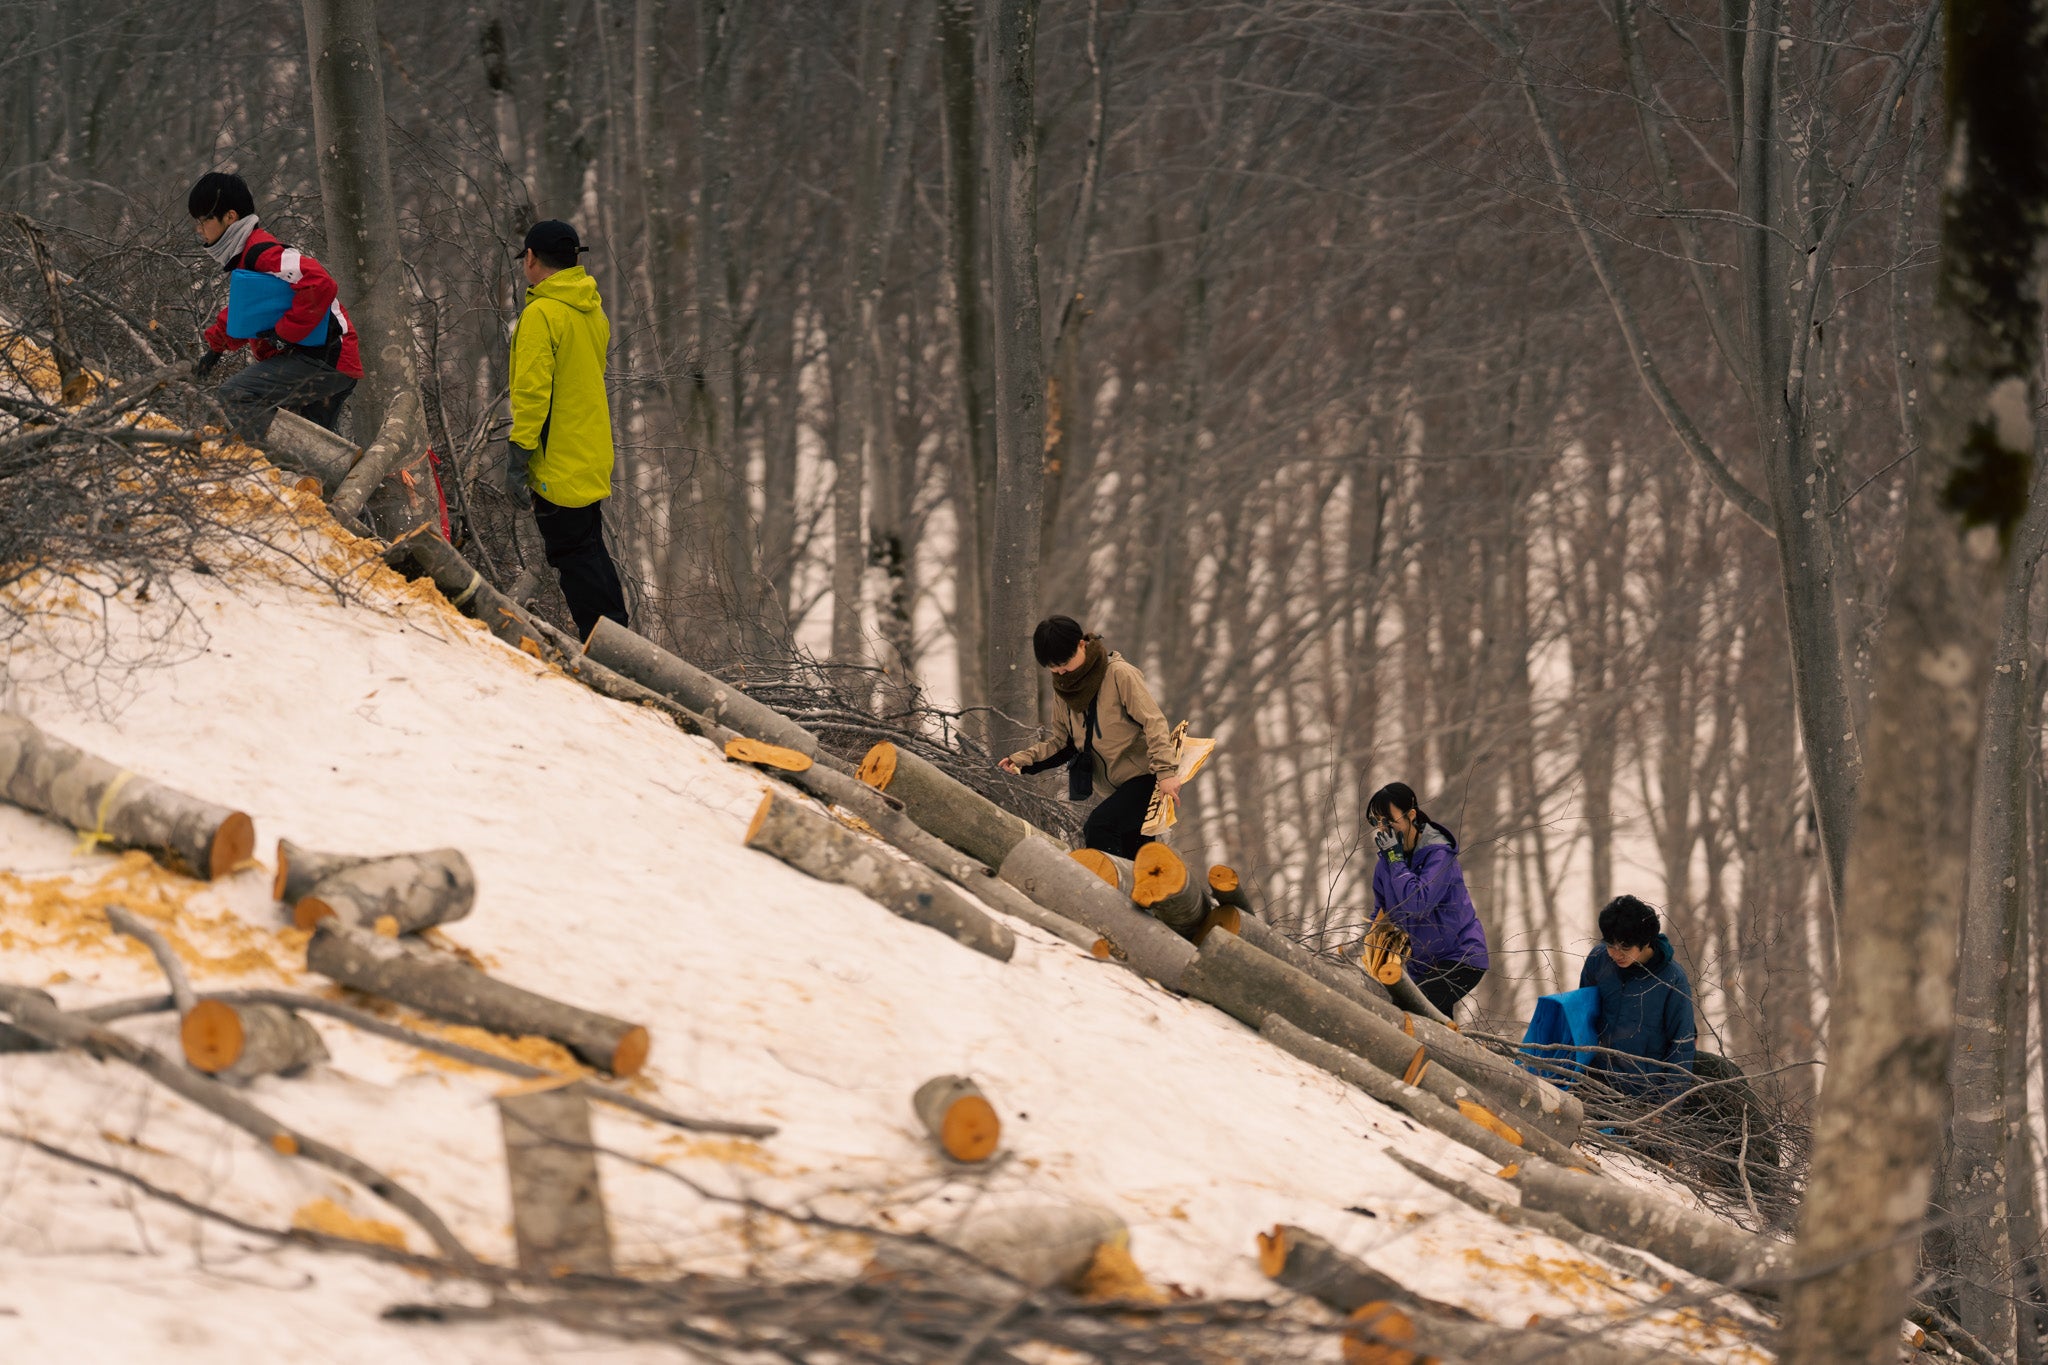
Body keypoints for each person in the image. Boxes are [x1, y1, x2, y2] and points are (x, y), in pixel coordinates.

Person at [506, 220, 629, 641]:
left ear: (532, 258)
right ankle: (620, 639)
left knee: (574, 555)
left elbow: (532, 391)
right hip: (590, 449)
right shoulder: (590, 308)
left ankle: (606, 648)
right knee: (589, 550)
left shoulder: (542, 313)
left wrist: (519, 454)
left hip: (557, 458)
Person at [189, 171, 360, 439]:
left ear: (230, 217)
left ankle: (264, 463)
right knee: (316, 455)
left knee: (234, 395)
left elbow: (320, 283)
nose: (199, 229)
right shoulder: (248, 255)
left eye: (203, 220)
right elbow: (247, 311)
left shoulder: (261, 253)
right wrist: (214, 350)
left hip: (324, 358)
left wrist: (283, 333)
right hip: (330, 362)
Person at [998, 616, 1180, 858]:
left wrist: (1166, 773)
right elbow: (1062, 743)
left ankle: (1105, 891)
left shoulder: (1119, 675)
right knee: (1137, 861)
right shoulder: (1063, 690)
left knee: (1099, 827)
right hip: (1114, 789)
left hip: (1145, 778)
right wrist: (1023, 760)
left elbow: (1153, 722)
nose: (1061, 670)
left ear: (1081, 645)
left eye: (1064, 662)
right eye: (1053, 666)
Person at [1368, 782, 1490, 1017]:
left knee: (1410, 1013)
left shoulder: (1438, 855)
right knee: (1435, 1026)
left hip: (1460, 957)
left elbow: (1417, 904)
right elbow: (1381, 918)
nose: (1384, 830)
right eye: (1378, 822)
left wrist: (1395, 861)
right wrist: (1375, 957)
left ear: (1411, 815)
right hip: (1421, 966)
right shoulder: (1385, 867)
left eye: (1389, 821)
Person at [1578, 895, 1696, 1100]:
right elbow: (1581, 1018)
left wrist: (1666, 1109)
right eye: (1610, 945)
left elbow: (1682, 1047)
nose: (1616, 954)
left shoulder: (1672, 979)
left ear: (1645, 943)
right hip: (1595, 1084)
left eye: (1625, 947)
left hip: (1643, 1096)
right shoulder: (1599, 960)